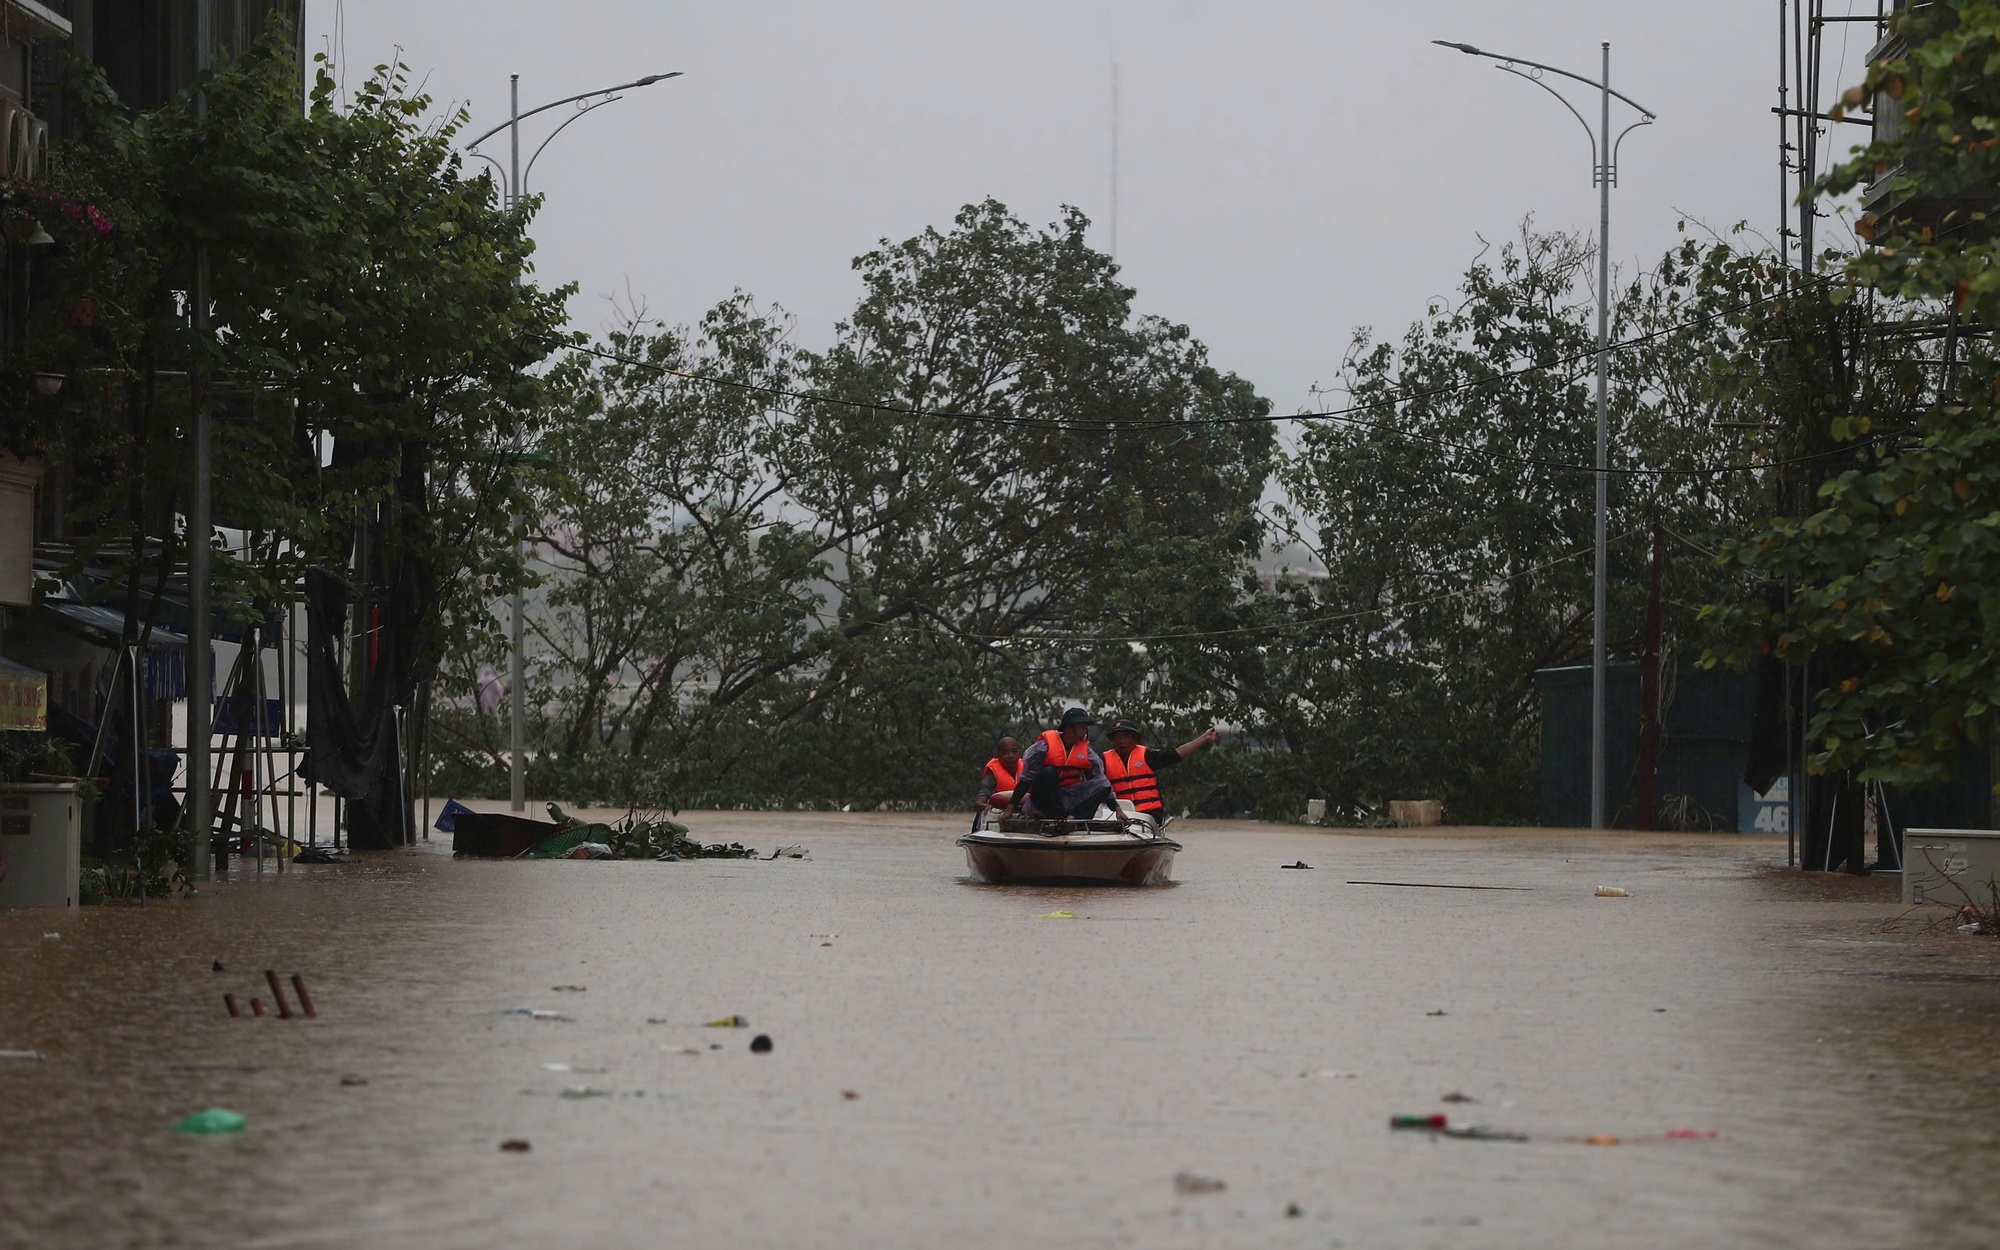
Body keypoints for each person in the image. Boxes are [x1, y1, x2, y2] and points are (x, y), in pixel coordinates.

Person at [1008, 708, 1118, 822]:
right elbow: (1026, 779)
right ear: (1069, 728)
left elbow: (1100, 780)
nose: (1085, 731)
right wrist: (1010, 808)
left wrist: (1116, 809)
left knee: (1103, 783)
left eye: (1085, 727)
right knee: (1049, 772)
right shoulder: (1043, 747)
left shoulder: (1087, 752)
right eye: (1081, 727)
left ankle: (1074, 819)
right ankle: (1054, 816)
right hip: (1044, 798)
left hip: (1068, 797)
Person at [1101, 718, 1221, 820]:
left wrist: (1204, 737)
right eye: (1117, 737)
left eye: (1126, 737)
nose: (1121, 741)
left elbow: (1178, 753)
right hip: (1119, 814)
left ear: (1134, 738)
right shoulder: (1103, 761)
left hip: (1149, 815)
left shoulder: (1148, 756)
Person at [975, 736, 1024, 811]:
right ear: (998, 755)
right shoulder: (992, 774)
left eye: (1014, 752)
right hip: (999, 813)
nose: (1010, 756)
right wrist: (986, 807)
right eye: (1005, 752)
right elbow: (979, 802)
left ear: (1019, 753)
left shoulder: (1027, 770)